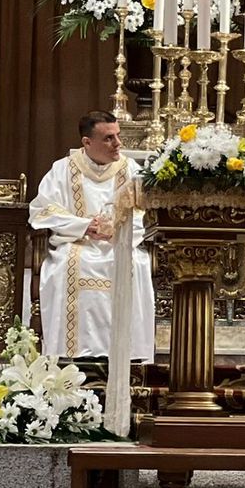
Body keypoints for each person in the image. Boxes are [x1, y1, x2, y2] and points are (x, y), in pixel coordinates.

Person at [28, 111, 155, 361]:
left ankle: (129, 356)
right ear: (87, 143)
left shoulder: (130, 170)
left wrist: (117, 229)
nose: (118, 144)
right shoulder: (63, 169)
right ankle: (70, 355)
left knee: (135, 264)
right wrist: (84, 226)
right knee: (67, 264)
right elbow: (43, 209)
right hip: (77, 243)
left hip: (119, 243)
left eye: (118, 136)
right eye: (109, 138)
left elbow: (144, 215)